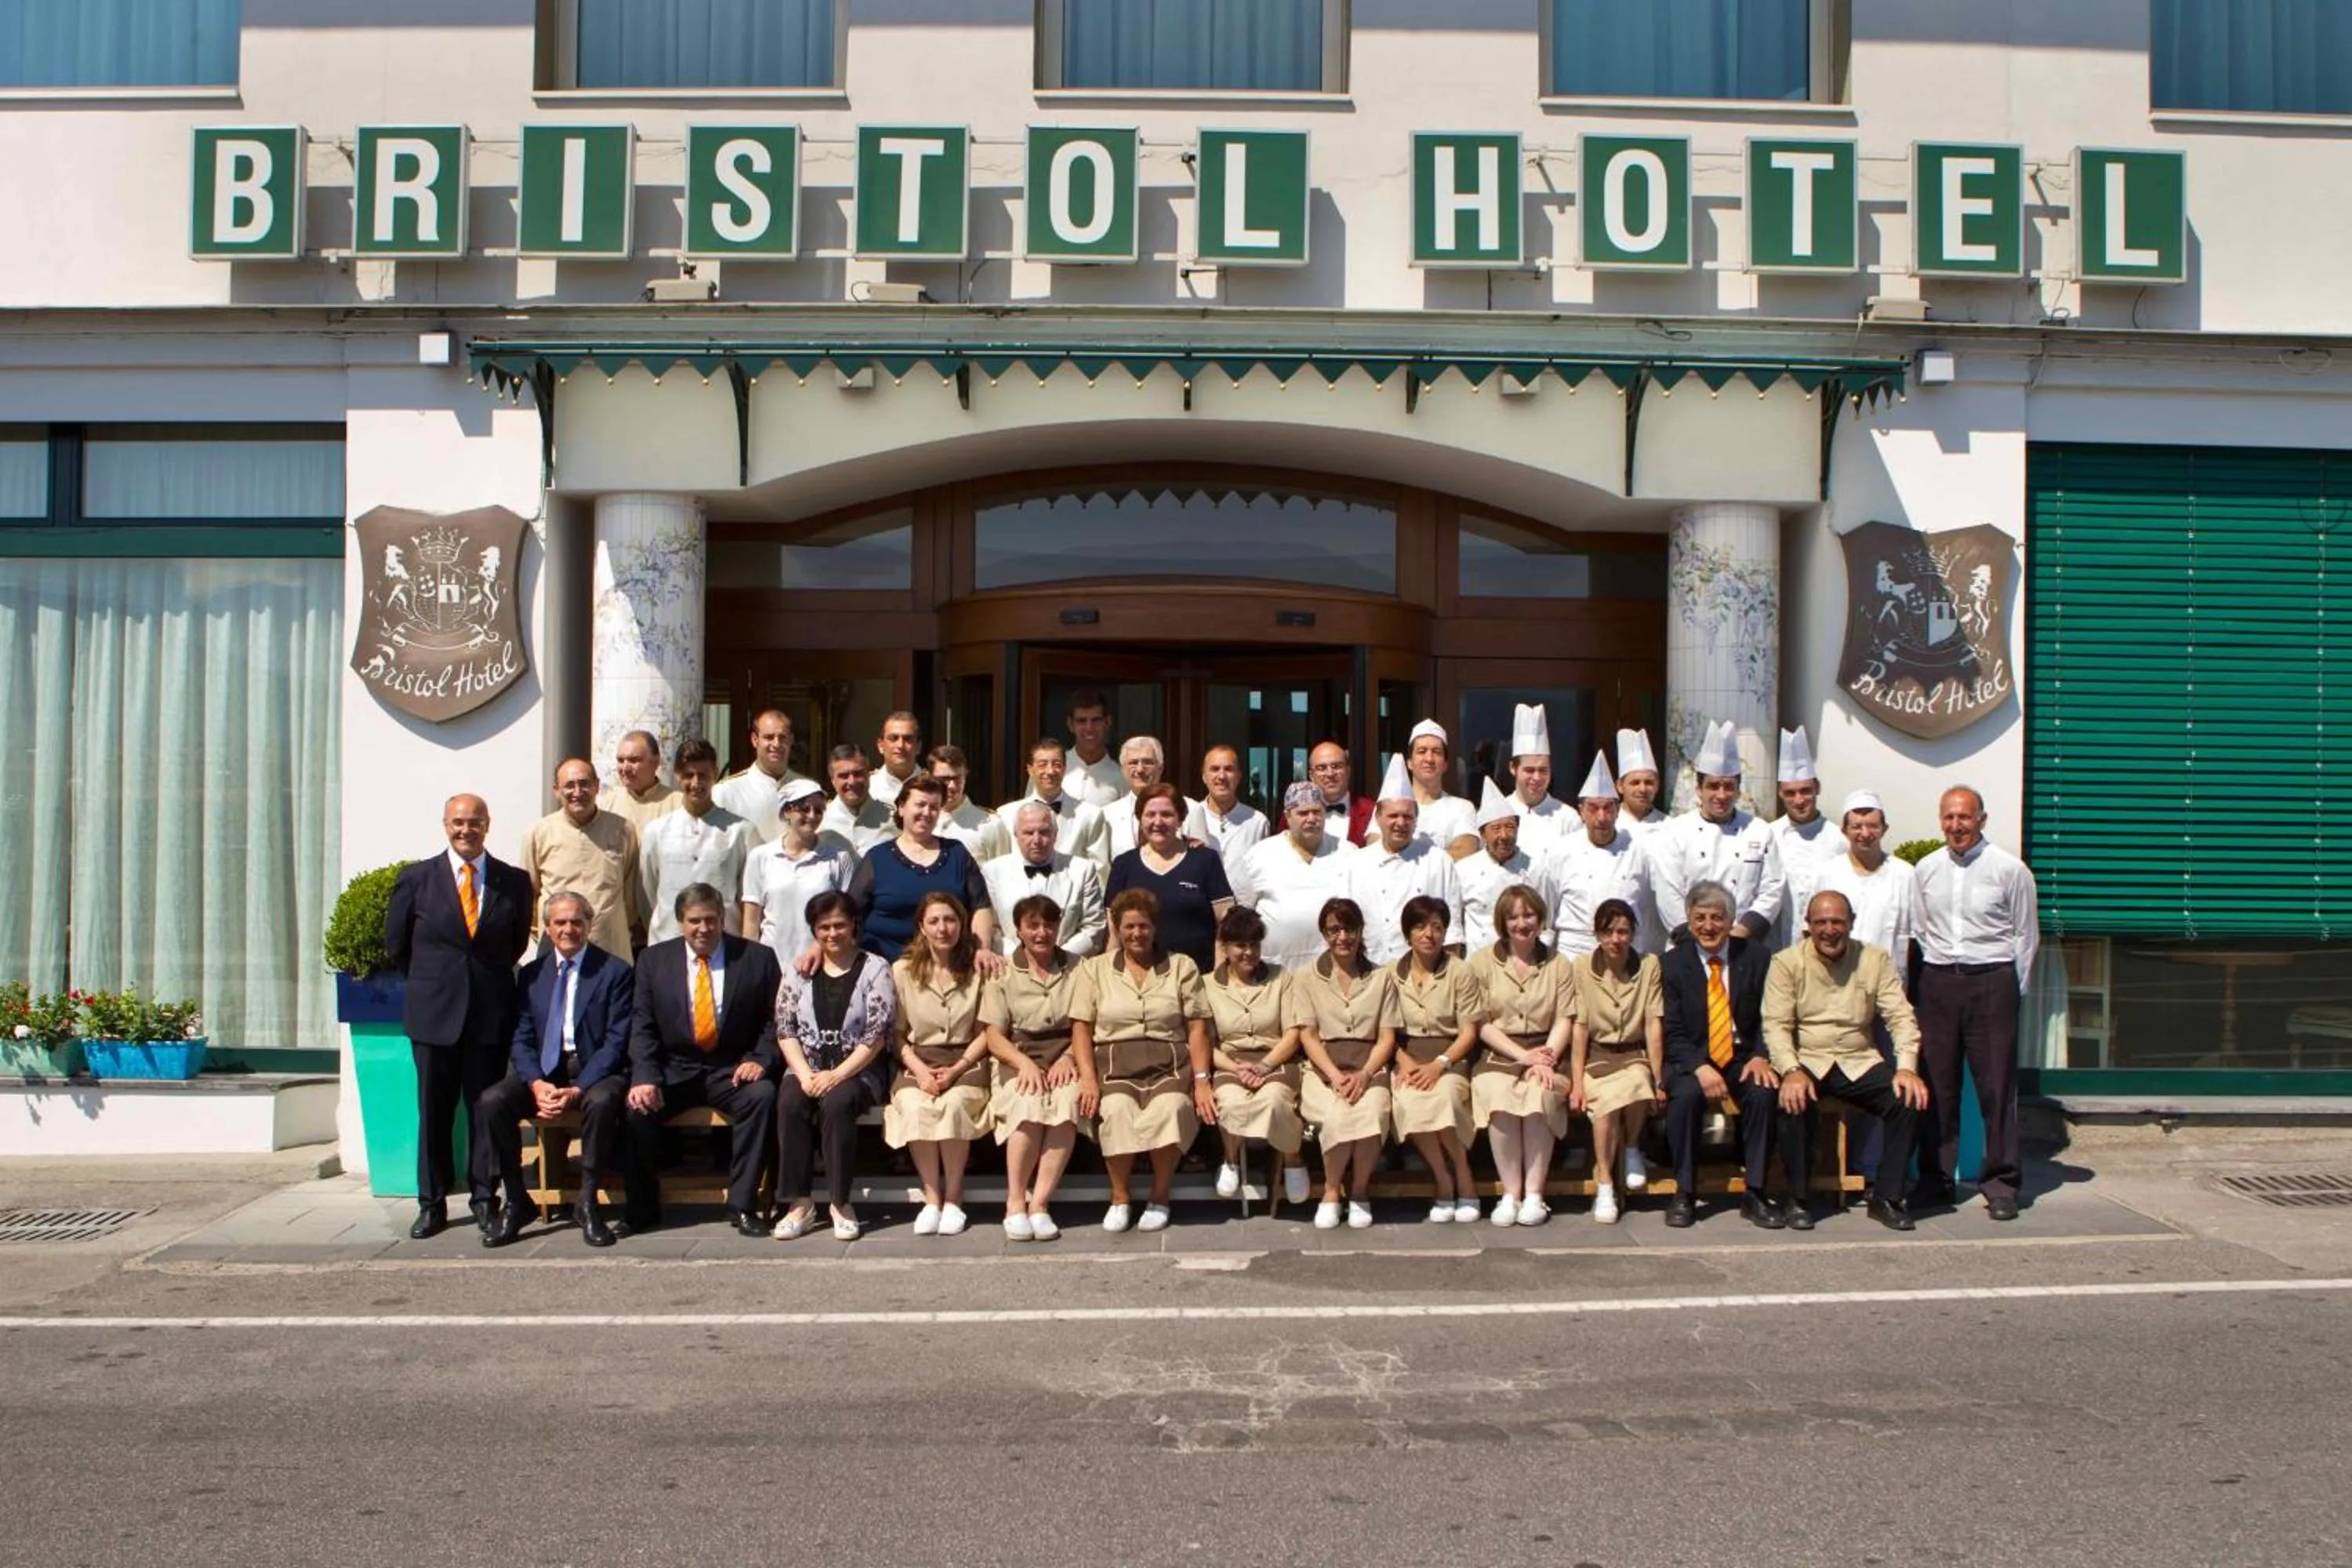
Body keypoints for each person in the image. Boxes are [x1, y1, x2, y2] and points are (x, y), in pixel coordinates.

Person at [384, 793, 532, 1239]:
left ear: (488, 825)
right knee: (433, 1112)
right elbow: (398, 946)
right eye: (458, 823)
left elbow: (515, 946)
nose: (466, 830)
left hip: (488, 1015)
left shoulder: (514, 881)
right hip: (434, 1016)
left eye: (475, 823)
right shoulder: (416, 879)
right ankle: (431, 1204)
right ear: (445, 825)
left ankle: (485, 1199)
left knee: (483, 1112)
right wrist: (439, 983)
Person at [1910, 784, 2041, 1222]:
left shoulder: (2010, 869)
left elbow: (2026, 936)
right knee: (1937, 1087)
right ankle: (1936, 1181)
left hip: (1992, 982)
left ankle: (2001, 1184)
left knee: (1996, 1089)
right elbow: (1921, 930)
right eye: (1948, 817)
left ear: (1982, 820)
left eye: (1965, 817)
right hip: (1941, 982)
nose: (1956, 826)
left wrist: (2008, 989)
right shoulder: (1925, 869)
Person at [623, 882, 784, 1236]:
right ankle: (641, 1209)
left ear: (723, 919)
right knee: (637, 1108)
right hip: (674, 1069)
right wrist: (645, 1077)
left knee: (762, 1097)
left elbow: (776, 1020)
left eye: (711, 920)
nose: (703, 929)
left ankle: (743, 1205)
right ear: (680, 922)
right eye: (694, 921)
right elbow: (643, 1025)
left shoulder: (757, 959)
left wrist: (761, 1058)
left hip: (732, 1068)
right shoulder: (653, 961)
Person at [1766, 890, 1930, 1232]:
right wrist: (1791, 1070)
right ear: (1807, 927)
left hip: (1858, 1058)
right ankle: (1798, 1198)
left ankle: (1886, 1197)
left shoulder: (1875, 959)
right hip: (1808, 1056)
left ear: (1851, 924)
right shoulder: (1786, 962)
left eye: (1837, 922)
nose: (1829, 930)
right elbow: (1776, 1025)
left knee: (1908, 1100)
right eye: (1821, 922)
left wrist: (1907, 1068)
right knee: (1791, 1101)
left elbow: (1900, 1017)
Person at [477, 891, 633, 1248]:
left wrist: (579, 1089)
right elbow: (522, 1035)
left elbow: (616, 1041)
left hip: (592, 1070)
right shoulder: (532, 975)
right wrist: (534, 1083)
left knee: (604, 1101)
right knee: (492, 1102)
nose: (568, 929)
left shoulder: (615, 971)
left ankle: (587, 1200)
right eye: (560, 922)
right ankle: (517, 1200)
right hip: (544, 1071)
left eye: (576, 922)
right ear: (547, 929)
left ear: (589, 925)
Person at [1070, 889, 1218, 1233]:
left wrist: (1201, 1080)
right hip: (1115, 1062)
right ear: (1117, 929)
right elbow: (1081, 1028)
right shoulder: (1094, 969)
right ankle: (1120, 1198)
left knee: (1171, 1109)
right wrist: (1088, 1078)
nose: (1137, 934)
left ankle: (1160, 1196)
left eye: (1144, 926)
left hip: (1169, 1062)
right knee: (1117, 1111)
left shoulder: (1181, 966)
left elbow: (1197, 1027)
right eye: (1129, 927)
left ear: (1156, 927)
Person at [1658, 880, 1784, 1230]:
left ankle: (1756, 1191)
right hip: (1694, 1057)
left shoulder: (1756, 957)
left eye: (1717, 918)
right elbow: (1672, 1030)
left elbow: (1770, 1016)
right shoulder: (1671, 963)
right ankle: (1684, 1191)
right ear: (1688, 919)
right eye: (1700, 918)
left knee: (1763, 1093)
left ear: (1731, 921)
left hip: (1743, 1056)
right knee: (1683, 1098)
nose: (1708, 926)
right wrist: (1699, 1066)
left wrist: (1761, 1055)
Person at [770, 891, 895, 1243]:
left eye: (840, 925)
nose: (832, 933)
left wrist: (838, 1074)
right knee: (790, 1100)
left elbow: (877, 1033)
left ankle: (840, 1202)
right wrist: (806, 1074)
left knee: (838, 1102)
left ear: (854, 924)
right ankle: (800, 1204)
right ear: (814, 930)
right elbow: (785, 1027)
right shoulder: (799, 971)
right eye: (824, 927)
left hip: (857, 1071)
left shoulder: (875, 969)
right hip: (806, 1068)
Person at [1287, 897, 1402, 1229]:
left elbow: (1387, 1038)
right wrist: (1335, 1075)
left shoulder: (1381, 978)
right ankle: (1332, 1191)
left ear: (1360, 931)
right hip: (1325, 1070)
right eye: (1334, 929)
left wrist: (1366, 1075)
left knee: (1372, 1111)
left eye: (1349, 928)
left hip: (1370, 1066)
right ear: (1324, 933)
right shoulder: (1306, 978)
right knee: (1337, 1114)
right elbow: (1307, 1035)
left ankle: (1361, 1192)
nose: (1342, 937)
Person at [885, 891, 993, 1237]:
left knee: (954, 1105)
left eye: (950, 920)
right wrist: (918, 1071)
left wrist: (958, 1069)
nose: (942, 928)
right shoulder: (902, 971)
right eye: (934, 921)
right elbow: (897, 1035)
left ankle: (954, 1197)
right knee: (916, 1106)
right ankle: (932, 1197)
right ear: (922, 927)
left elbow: (988, 1031)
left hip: (967, 1058)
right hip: (919, 1059)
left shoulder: (979, 969)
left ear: (962, 925)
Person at [980, 893, 1086, 1241]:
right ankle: (1015, 1201)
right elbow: (994, 1035)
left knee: (1066, 1103)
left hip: (1064, 1054)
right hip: (1017, 1054)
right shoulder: (1003, 971)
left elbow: (1089, 1024)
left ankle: (1040, 1203)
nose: (1042, 932)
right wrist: (1024, 1064)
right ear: (1019, 930)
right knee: (1026, 1104)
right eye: (1033, 926)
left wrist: (1069, 1056)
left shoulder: (1078, 967)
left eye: (1049, 925)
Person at [1468, 883, 1572, 1228]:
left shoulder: (1559, 964)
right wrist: (1522, 1056)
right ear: (1502, 922)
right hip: (1501, 1051)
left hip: (1546, 1050)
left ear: (1540, 918)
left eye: (1528, 915)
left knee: (1538, 1096)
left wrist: (1545, 1059)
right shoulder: (1482, 963)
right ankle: (1511, 1193)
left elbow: (1564, 1019)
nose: (1522, 923)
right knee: (1499, 1098)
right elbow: (1481, 1023)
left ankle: (1535, 1195)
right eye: (1513, 917)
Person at [1567, 898, 1667, 1225]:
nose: (1616, 939)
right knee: (1606, 1107)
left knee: (1639, 1084)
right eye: (1608, 932)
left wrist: (1658, 1077)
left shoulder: (1649, 966)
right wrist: (1578, 1082)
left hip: (1633, 1053)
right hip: (1597, 1056)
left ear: (1633, 934)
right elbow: (1579, 1027)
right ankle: (1606, 1183)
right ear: (1597, 934)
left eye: (1623, 931)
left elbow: (1653, 1022)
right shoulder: (1582, 967)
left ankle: (1632, 1145)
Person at [1203, 906, 1310, 1208]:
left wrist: (1264, 1066)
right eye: (1240, 945)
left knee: (1275, 1100)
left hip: (1275, 1059)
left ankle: (1292, 1157)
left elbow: (1293, 1032)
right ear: (1225, 947)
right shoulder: (1208, 985)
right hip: (1230, 1061)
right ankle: (1231, 1158)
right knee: (1231, 1100)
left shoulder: (1281, 978)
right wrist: (1238, 1069)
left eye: (1254, 944)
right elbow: (1205, 1043)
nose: (1248, 952)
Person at [1649, 719, 1786, 947]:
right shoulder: (1674, 831)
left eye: (1728, 786)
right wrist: (1697, 936)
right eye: (1713, 786)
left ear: (1738, 790)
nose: (1721, 795)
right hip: (1689, 946)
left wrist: (1743, 931)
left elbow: (1772, 888)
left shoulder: (1759, 831)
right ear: (1698, 790)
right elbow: (1668, 893)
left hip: (1742, 945)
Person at [1388, 894, 1483, 1225]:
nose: (1429, 934)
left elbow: (1469, 1032)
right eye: (1420, 927)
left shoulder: (1460, 972)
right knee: (1410, 1102)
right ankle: (1444, 1177)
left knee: (1444, 1099)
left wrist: (1439, 1063)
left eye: (1437, 927)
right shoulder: (1391, 974)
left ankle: (1464, 1173)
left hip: (1450, 1058)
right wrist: (1403, 1061)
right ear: (1408, 933)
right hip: (1407, 1058)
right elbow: (1384, 1031)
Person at [845, 774, 996, 962]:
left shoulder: (957, 853)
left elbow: (980, 906)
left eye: (934, 807)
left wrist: (982, 949)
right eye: (920, 805)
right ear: (901, 807)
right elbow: (848, 912)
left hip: (950, 967)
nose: (927, 812)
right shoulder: (877, 858)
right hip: (887, 968)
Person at [521, 756, 646, 963]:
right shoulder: (538, 833)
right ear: (556, 790)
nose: (577, 792)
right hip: (557, 951)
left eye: (585, 784)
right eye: (569, 785)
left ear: (597, 786)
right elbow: (528, 898)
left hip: (610, 948)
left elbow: (632, 896)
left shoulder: (623, 830)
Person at [1229, 782, 1360, 971]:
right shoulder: (1259, 855)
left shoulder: (1349, 853)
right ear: (1288, 816)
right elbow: (1240, 915)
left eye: (1317, 812)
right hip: (1274, 971)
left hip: (1334, 972)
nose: (1311, 818)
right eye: (1303, 813)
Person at [1538, 750, 1656, 959]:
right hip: (1573, 953)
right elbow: (1546, 911)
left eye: (1608, 808)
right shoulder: (1560, 852)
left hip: (1623, 953)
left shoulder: (1637, 852)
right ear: (1581, 811)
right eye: (1593, 808)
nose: (1601, 817)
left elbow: (1644, 910)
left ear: (1618, 811)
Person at [1351, 753, 1463, 966]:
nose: (1400, 823)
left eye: (1408, 816)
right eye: (1393, 816)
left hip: (1423, 975)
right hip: (1367, 975)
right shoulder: (1355, 863)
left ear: (1416, 820)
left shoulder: (1438, 861)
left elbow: (1453, 934)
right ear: (1378, 818)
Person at [638, 739, 753, 946]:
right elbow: (648, 894)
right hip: (668, 943)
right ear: (677, 776)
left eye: (703, 775)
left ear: (715, 774)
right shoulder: (656, 831)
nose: (696, 783)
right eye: (689, 775)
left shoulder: (741, 831)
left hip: (724, 945)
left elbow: (748, 897)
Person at [1108, 782, 1233, 970]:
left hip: (1197, 980)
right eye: (1150, 814)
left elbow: (1227, 923)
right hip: (1138, 983)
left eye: (1166, 814)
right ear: (1140, 819)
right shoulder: (1124, 865)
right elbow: (1114, 934)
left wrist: (1220, 974)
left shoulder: (1205, 860)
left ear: (1180, 819)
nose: (1158, 822)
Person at [740, 776, 857, 967]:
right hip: (771, 964)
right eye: (804, 809)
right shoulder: (760, 857)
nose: (812, 816)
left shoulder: (838, 858)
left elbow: (849, 918)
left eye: (818, 810)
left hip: (822, 964)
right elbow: (752, 923)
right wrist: (751, 966)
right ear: (787, 811)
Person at [983, 800, 1108, 958]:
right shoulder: (992, 871)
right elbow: (991, 928)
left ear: (1055, 834)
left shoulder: (1082, 870)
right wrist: (1021, 958)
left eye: (1044, 832)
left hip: (1068, 968)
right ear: (1016, 835)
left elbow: (1094, 927)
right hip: (1012, 968)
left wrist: (1058, 958)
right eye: (1028, 833)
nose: (1036, 840)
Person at [1769, 725, 1849, 949]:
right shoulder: (1769, 835)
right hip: (1778, 946)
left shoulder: (1839, 839)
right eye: (1790, 793)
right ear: (1780, 793)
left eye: (1805, 791)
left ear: (1818, 788)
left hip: (1828, 946)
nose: (1799, 800)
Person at [1817, 790, 1917, 956]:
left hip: (1888, 976)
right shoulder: (1827, 873)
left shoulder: (1905, 874)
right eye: (1856, 827)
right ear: (1844, 830)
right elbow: (1811, 930)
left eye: (1873, 826)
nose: (1865, 834)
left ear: (1884, 829)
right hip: (1838, 975)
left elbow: (1915, 937)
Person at [993, 737, 1111, 869]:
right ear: (1030, 770)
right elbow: (1000, 867)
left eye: (1056, 764)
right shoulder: (1006, 815)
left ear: (1065, 769)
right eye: (1042, 765)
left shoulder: (1090, 815)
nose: (1050, 771)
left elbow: (1100, 870)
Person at [1457, 779, 1541, 949]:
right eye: (1496, 829)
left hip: (1523, 958)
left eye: (1510, 827)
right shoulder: (1463, 870)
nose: (1504, 835)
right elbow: (1455, 925)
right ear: (1483, 835)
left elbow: (1546, 923)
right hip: (1477, 962)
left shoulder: (1535, 867)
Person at [713, 709, 812, 844]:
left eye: (782, 737)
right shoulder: (727, 792)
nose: (776, 744)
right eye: (769, 737)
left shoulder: (807, 789)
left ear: (791, 740)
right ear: (755, 740)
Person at [1501, 703, 1574, 855]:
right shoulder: (1498, 813)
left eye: (1543, 770)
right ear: (1513, 768)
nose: (1537, 778)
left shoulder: (1568, 818)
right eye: (1529, 770)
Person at [1183, 745, 1269, 871]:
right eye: (1215, 769)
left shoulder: (1257, 822)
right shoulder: (1187, 817)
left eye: (1228, 769)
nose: (1222, 776)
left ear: (1239, 776)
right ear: (1204, 777)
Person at [1404, 720, 1479, 857]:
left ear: (1445, 764)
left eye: (1436, 752)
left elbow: (1465, 851)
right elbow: (1377, 848)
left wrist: (1407, 860)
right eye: (1421, 751)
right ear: (1409, 762)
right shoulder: (1389, 806)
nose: (1429, 758)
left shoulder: (1463, 808)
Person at [929, 744, 1007, 860]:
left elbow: (1002, 874)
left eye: (957, 779)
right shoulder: (918, 822)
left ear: (966, 775)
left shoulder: (991, 825)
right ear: (929, 777)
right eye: (944, 779)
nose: (951, 786)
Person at [818, 744, 893, 854]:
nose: (852, 782)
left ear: (868, 775)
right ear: (833, 780)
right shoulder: (820, 822)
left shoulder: (893, 819)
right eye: (844, 776)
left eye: (858, 774)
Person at [597, 728, 679, 829]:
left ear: (656, 762)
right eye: (621, 760)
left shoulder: (678, 804)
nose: (626, 768)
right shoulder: (605, 804)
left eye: (634, 760)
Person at [1103, 735, 1167, 858]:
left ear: (1160, 768)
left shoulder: (1190, 810)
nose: (1140, 769)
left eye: (1147, 763)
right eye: (1133, 763)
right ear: (1122, 769)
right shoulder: (1107, 815)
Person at [1306, 739, 1377, 847]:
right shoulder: (1297, 813)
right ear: (1311, 776)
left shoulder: (1373, 811)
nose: (1330, 774)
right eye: (1321, 768)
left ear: (1348, 771)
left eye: (1336, 766)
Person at [1063, 687, 1125, 808]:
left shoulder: (1121, 776)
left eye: (1096, 720)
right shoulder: (1051, 770)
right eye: (1082, 721)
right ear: (1071, 725)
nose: (1089, 728)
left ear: (1107, 723)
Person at [1613, 728, 1668, 840]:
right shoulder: (1607, 826)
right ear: (1620, 786)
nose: (1642, 789)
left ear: (1657, 785)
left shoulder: (1671, 827)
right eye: (1635, 783)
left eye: (1649, 783)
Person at [867, 710, 924, 808]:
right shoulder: (866, 788)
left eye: (908, 739)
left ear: (918, 747)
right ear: (881, 746)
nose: (900, 745)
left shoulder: (935, 787)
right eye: (893, 738)